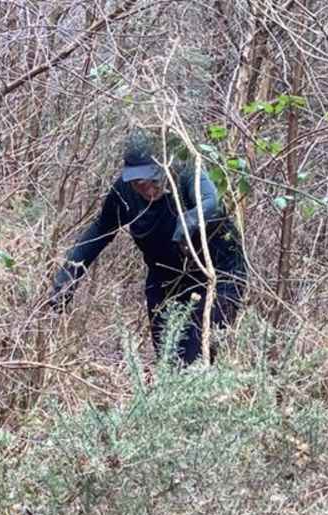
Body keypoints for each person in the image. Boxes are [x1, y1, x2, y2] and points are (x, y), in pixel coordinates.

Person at [48, 131, 246, 364]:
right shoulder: (124, 193)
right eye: (139, 183)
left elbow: (211, 201)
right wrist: (68, 277)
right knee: (168, 359)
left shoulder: (185, 171)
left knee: (196, 357)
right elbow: (100, 231)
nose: (148, 188)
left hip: (219, 275)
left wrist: (187, 223)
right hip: (165, 280)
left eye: (154, 180)